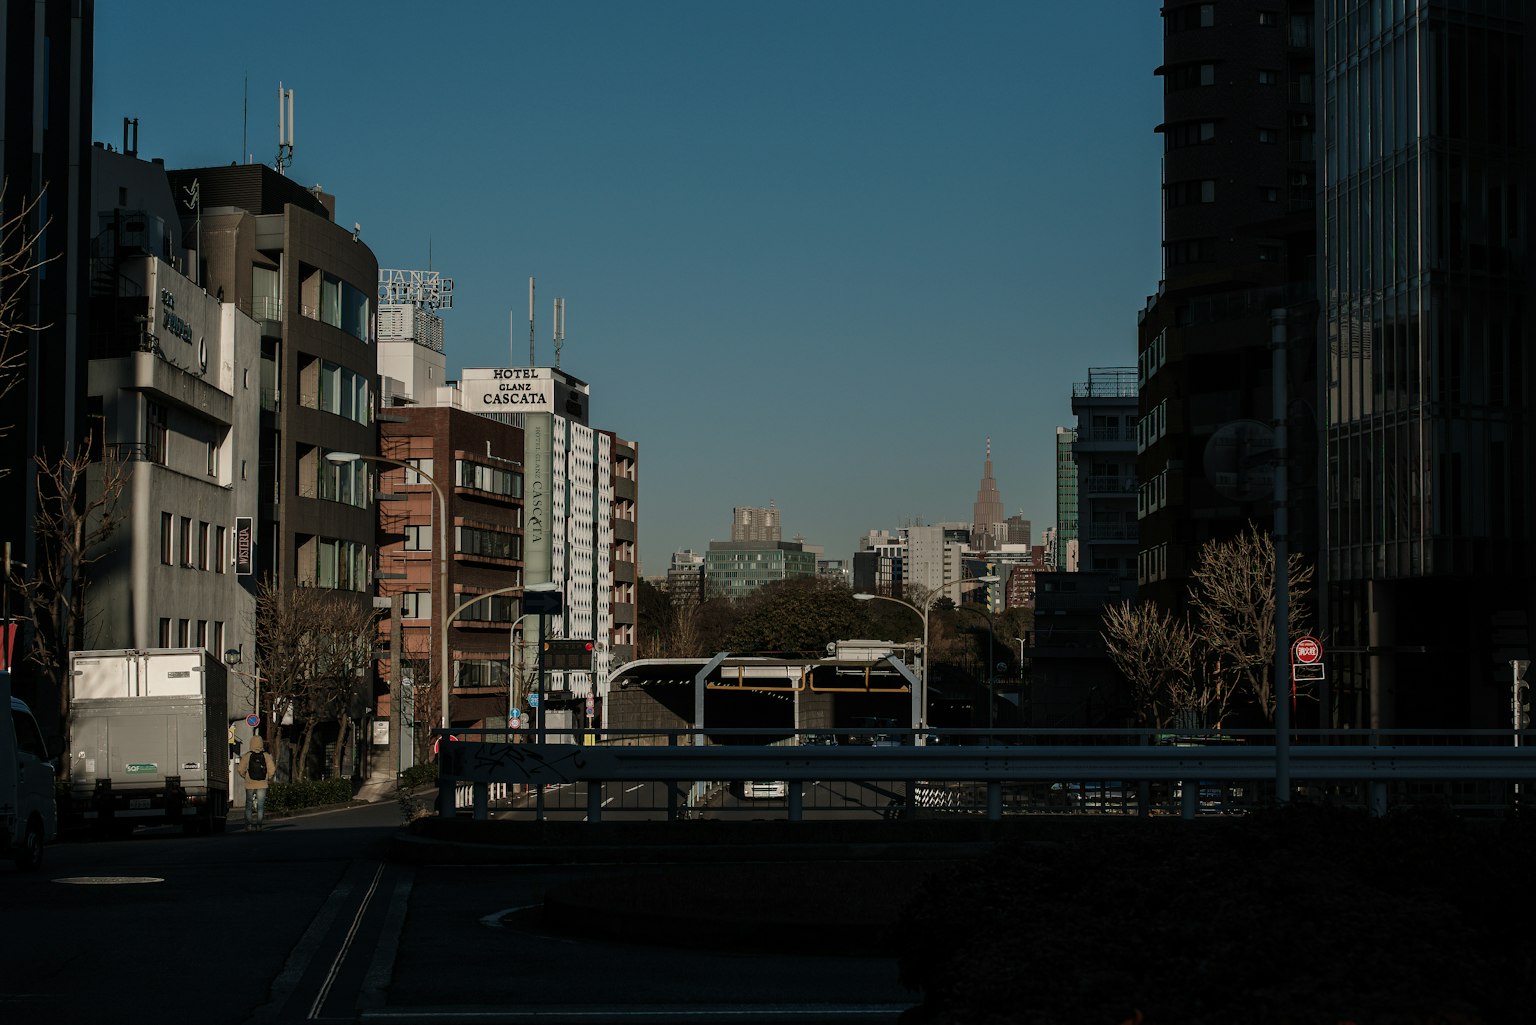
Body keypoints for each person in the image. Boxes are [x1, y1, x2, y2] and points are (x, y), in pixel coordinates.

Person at [237, 734, 276, 832]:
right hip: (262, 783)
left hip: (249, 783)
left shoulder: (247, 755)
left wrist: (245, 776)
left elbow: (240, 769)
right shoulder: (266, 756)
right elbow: (272, 769)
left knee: (249, 805)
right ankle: (259, 826)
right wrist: (268, 777)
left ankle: (249, 826)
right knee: (260, 806)